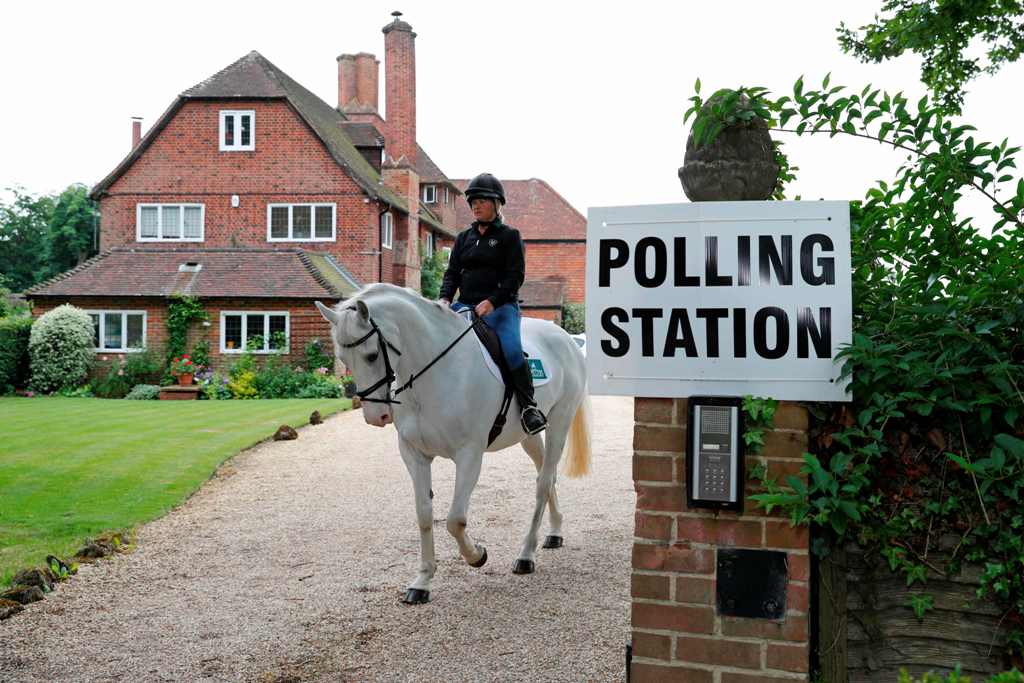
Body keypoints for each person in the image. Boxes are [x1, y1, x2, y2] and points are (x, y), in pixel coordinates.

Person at [439, 173, 547, 435]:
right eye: (473, 201)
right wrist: (444, 298)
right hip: (464, 306)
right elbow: (452, 273)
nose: (476, 205)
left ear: (497, 204)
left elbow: (515, 277)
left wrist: (492, 302)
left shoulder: (510, 236)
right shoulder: (463, 237)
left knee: (511, 350)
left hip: (501, 309)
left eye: (482, 200)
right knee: (439, 344)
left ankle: (528, 407)